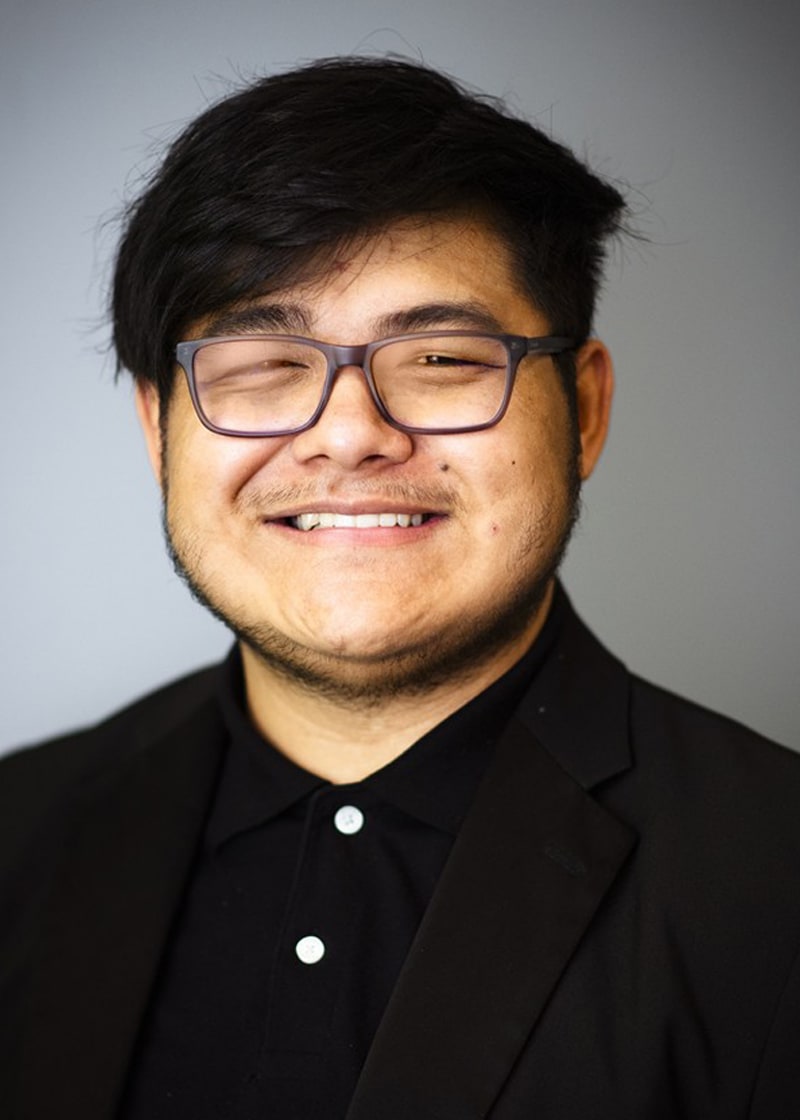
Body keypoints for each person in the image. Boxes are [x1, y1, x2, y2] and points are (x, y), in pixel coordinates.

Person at [1, 56, 799, 1120]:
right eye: (263, 365)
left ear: (585, 410)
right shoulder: (19, 830)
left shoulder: (772, 880)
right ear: (158, 432)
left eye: (439, 360)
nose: (349, 435)